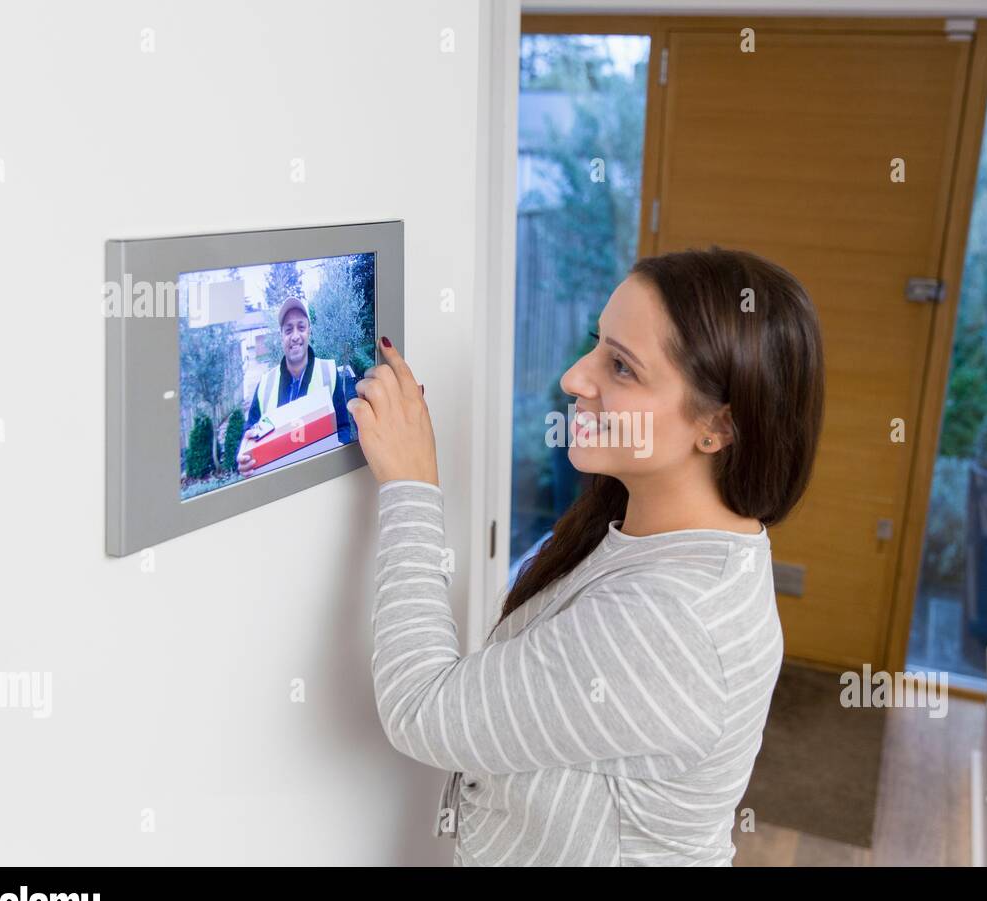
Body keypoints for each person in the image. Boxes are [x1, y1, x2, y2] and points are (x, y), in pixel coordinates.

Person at [349, 246, 824, 866]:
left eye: (622, 367)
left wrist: (411, 489)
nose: (575, 377)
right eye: (597, 342)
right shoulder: (667, 539)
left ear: (718, 427)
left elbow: (421, 708)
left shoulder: (669, 623)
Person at [237, 296, 352, 476]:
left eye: (301, 327)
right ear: (281, 336)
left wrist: (338, 453)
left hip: (320, 483)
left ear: (309, 332)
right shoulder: (265, 384)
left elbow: (344, 428)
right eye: (288, 330)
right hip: (279, 490)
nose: (295, 336)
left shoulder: (329, 373)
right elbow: (249, 434)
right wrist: (245, 457)